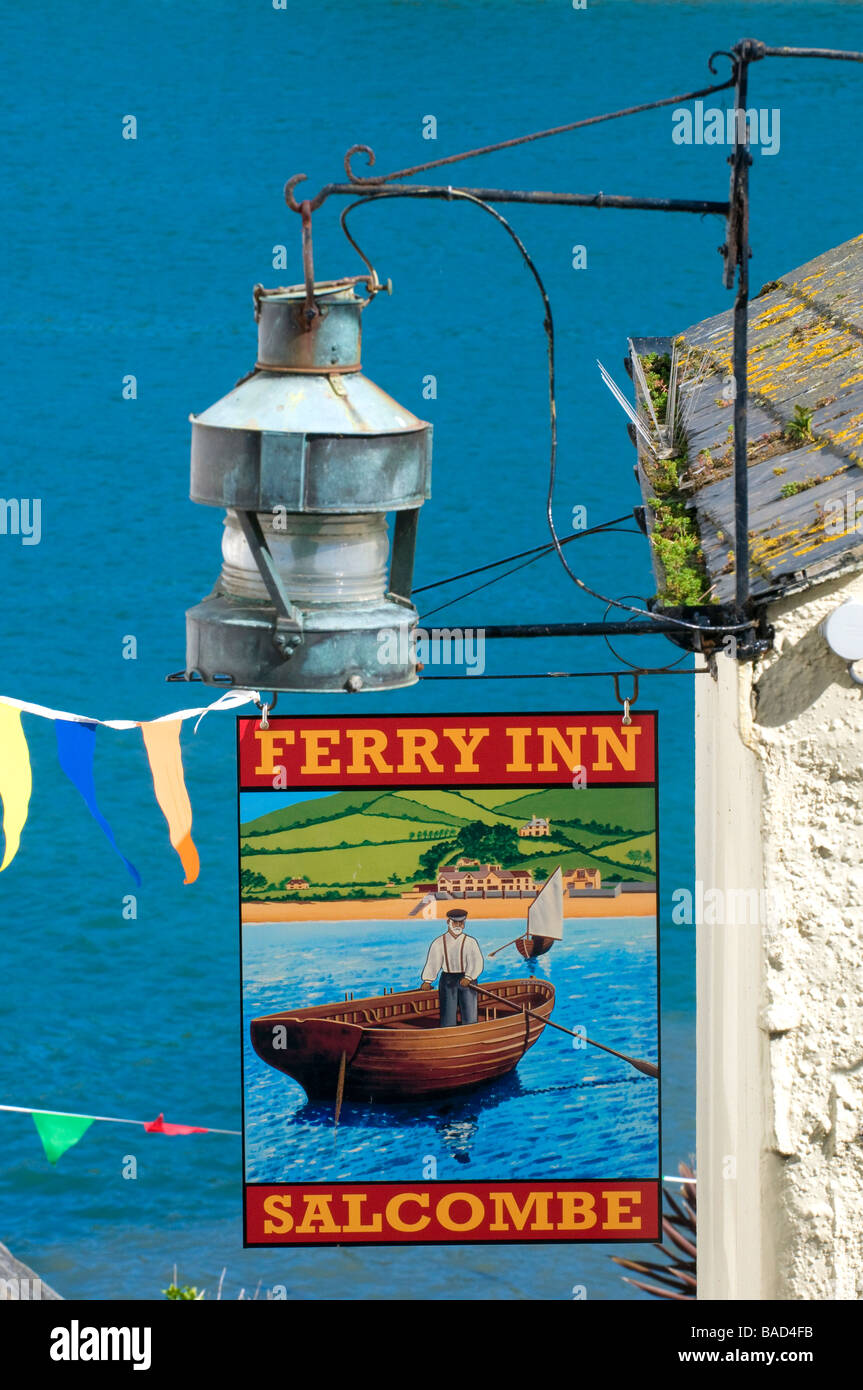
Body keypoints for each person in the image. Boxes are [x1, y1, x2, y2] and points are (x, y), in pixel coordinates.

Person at [420, 908, 484, 1027]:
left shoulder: (470, 942)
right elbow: (433, 962)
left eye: (461, 923)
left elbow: (476, 962)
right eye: (455, 922)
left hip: (467, 980)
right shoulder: (439, 942)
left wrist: (469, 977)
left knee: (470, 1015)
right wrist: (428, 980)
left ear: (464, 924)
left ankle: (470, 1035)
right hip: (447, 980)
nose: (458, 925)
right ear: (448, 922)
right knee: (447, 1016)